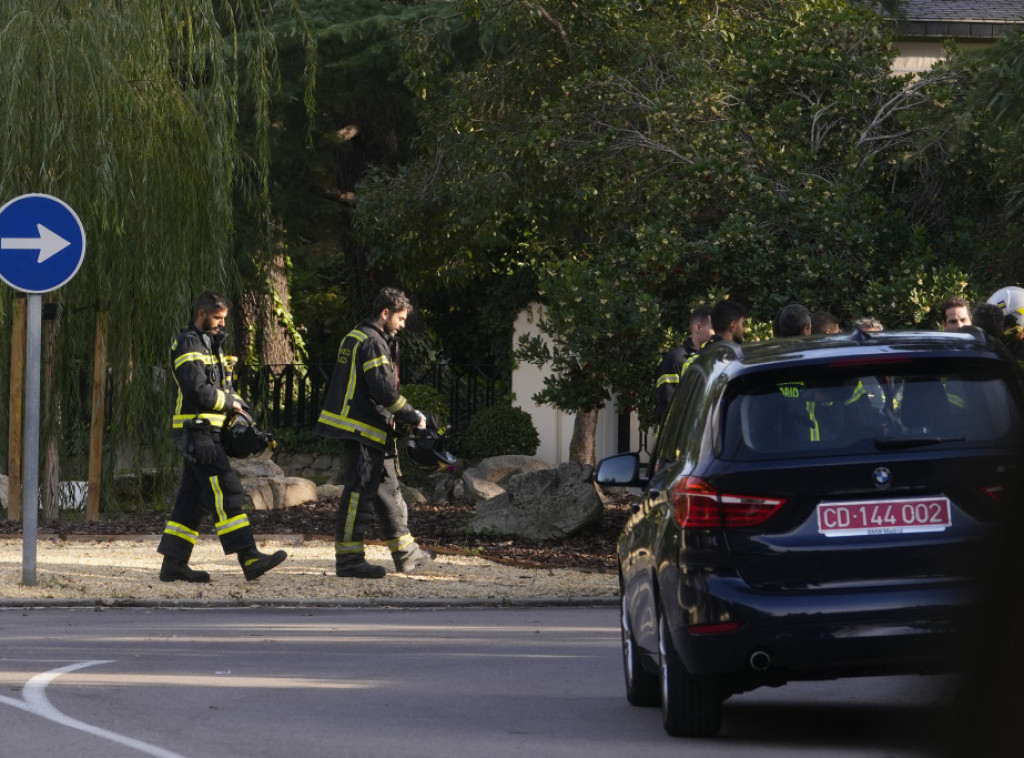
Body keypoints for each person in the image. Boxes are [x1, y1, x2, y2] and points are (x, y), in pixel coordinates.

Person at [158, 291, 287, 583]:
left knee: (192, 501)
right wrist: (230, 404)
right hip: (197, 431)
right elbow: (196, 389)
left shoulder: (210, 344)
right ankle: (249, 556)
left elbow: (219, 388)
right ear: (201, 314)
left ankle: (174, 564)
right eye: (216, 318)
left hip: (207, 430)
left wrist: (241, 407)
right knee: (226, 489)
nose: (220, 324)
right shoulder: (189, 342)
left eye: (223, 319)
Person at [315, 287, 437, 578]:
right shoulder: (373, 342)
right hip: (363, 430)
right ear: (385, 313)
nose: (403, 325)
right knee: (359, 493)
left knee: (387, 488)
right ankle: (349, 561)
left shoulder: (357, 336)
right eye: (401, 318)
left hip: (364, 429)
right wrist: (414, 416)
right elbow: (383, 390)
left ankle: (406, 554)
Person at [654, 305, 713, 424]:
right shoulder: (676, 359)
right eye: (714, 328)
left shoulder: (714, 357)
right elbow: (667, 406)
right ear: (698, 327)